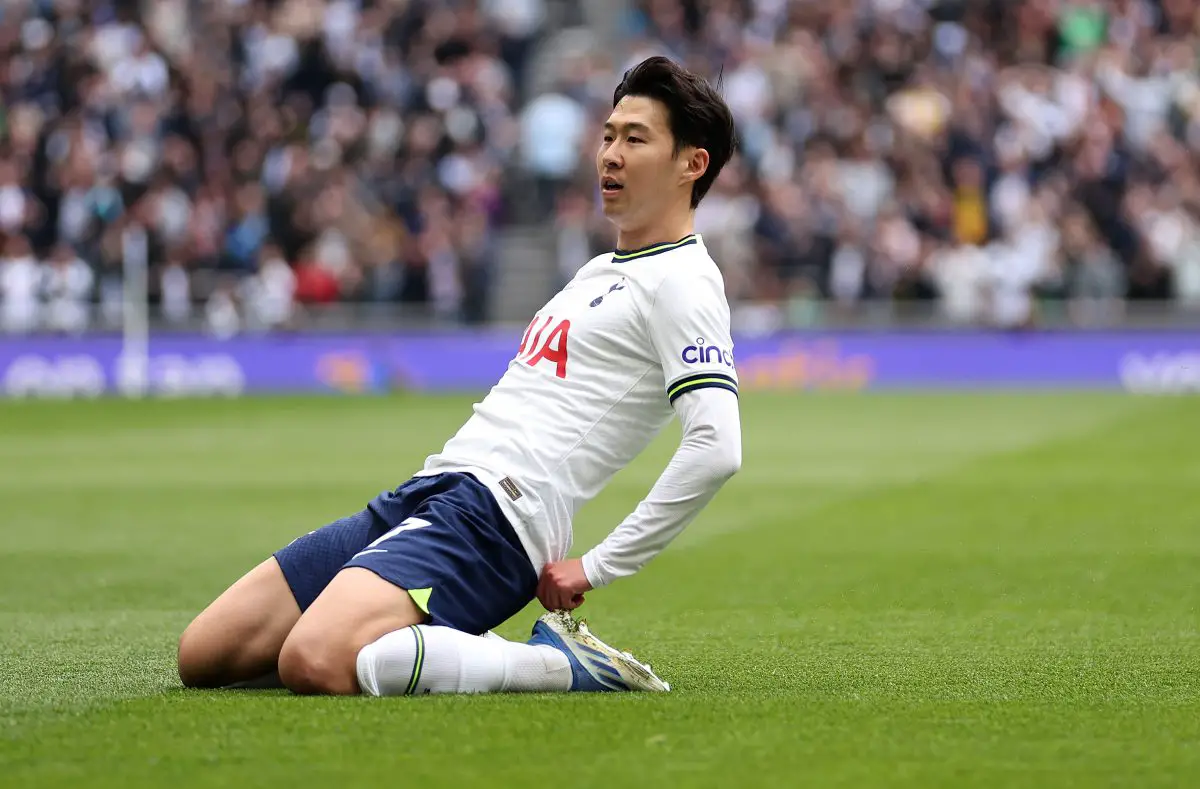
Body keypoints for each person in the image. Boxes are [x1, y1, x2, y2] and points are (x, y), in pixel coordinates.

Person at [177, 56, 742, 697]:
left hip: (499, 521)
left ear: (691, 165)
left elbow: (716, 447)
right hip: (430, 490)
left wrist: (597, 565)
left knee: (313, 660)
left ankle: (557, 666)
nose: (610, 154)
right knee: (205, 653)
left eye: (635, 139)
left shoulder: (685, 282)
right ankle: (409, 647)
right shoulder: (597, 271)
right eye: (609, 134)